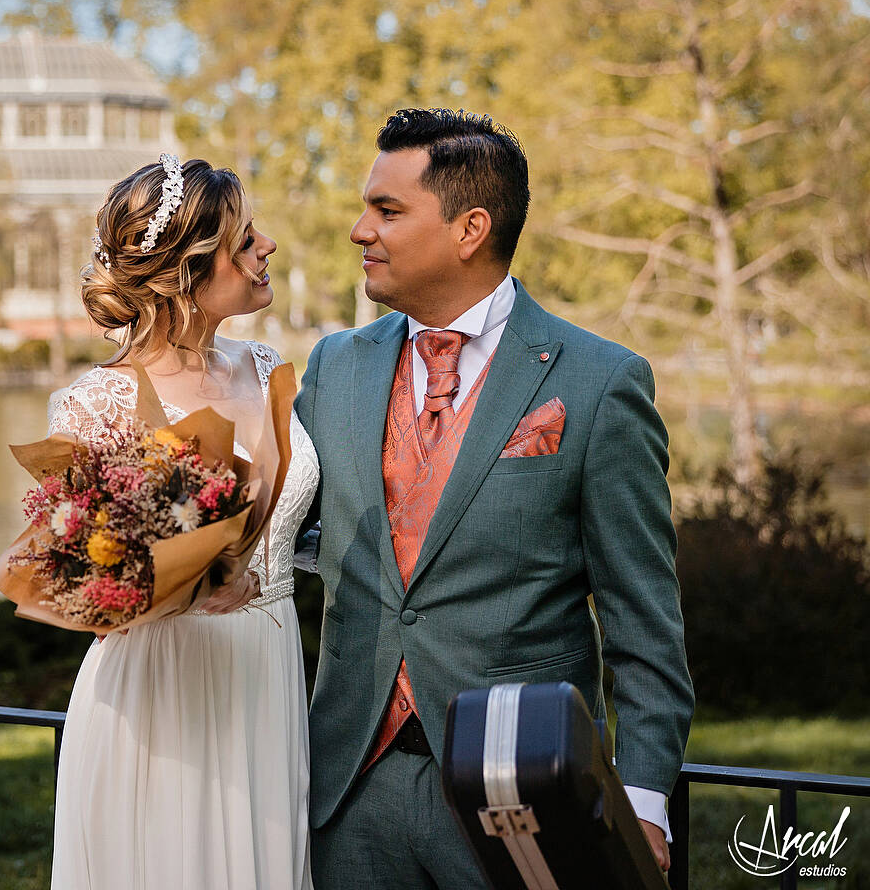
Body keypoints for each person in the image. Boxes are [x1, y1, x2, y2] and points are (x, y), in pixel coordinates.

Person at [296, 108, 694, 888]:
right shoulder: (334, 366)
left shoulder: (599, 381)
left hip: (522, 787)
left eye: (387, 210)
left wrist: (644, 800)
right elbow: (295, 536)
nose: (359, 230)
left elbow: (642, 615)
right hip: (351, 789)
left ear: (470, 229)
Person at [48, 154, 317, 890]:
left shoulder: (266, 366)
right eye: (245, 238)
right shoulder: (97, 404)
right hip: (163, 696)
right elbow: (83, 583)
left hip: (267, 677)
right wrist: (187, 587)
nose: (267, 246)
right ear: (188, 274)